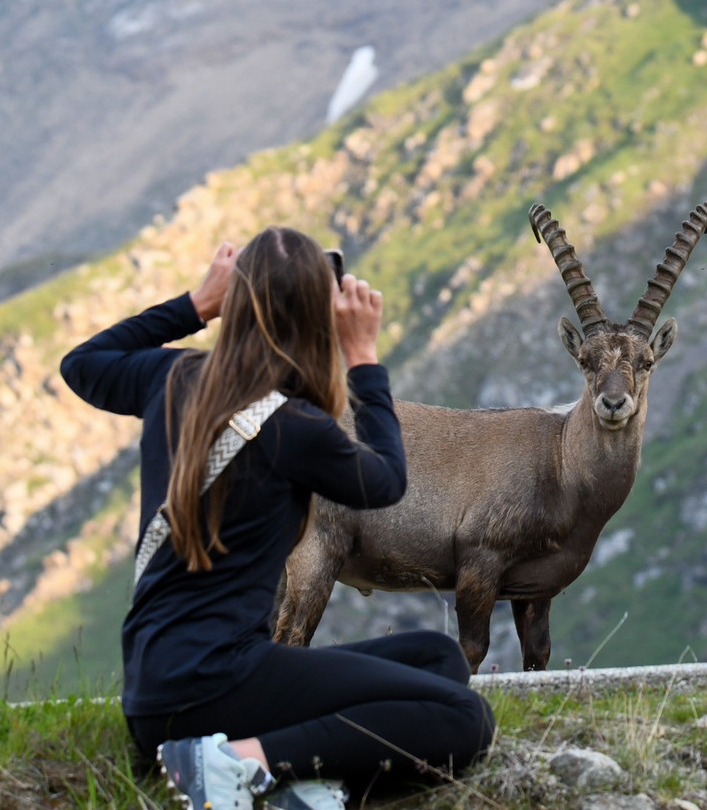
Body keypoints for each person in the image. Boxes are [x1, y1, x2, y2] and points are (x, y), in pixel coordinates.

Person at [60, 226, 494, 810]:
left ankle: (301, 782)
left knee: (437, 660)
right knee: (464, 718)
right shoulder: (293, 429)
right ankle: (238, 765)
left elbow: (83, 363)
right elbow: (387, 482)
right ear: (318, 321)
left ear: (236, 303)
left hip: (157, 688)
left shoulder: (171, 379)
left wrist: (196, 305)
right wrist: (363, 357)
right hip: (213, 689)